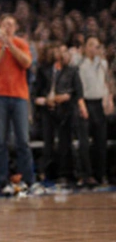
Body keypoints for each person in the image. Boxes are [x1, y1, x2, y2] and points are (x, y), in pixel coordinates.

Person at [0, 14, 35, 188]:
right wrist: (2, 50)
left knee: (23, 141)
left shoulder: (21, 44)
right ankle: (2, 180)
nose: (8, 27)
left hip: (19, 96)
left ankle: (28, 179)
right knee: (1, 141)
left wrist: (11, 46)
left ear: (15, 28)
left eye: (11, 25)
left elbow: (26, 63)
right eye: (5, 24)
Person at [34, 43, 87, 185]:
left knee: (65, 143)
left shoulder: (72, 70)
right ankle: (45, 173)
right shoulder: (43, 70)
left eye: (64, 51)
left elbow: (77, 92)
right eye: (58, 51)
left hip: (65, 111)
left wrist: (65, 97)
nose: (60, 54)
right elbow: (36, 92)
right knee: (48, 143)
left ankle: (64, 174)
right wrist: (45, 100)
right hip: (47, 110)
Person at [78, 37, 109, 185]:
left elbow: (106, 82)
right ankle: (87, 174)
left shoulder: (103, 64)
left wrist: (108, 98)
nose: (93, 48)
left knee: (101, 140)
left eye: (96, 46)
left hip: (99, 102)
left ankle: (101, 173)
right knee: (84, 142)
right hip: (86, 102)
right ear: (85, 47)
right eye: (91, 45)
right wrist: (81, 104)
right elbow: (79, 87)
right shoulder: (81, 64)